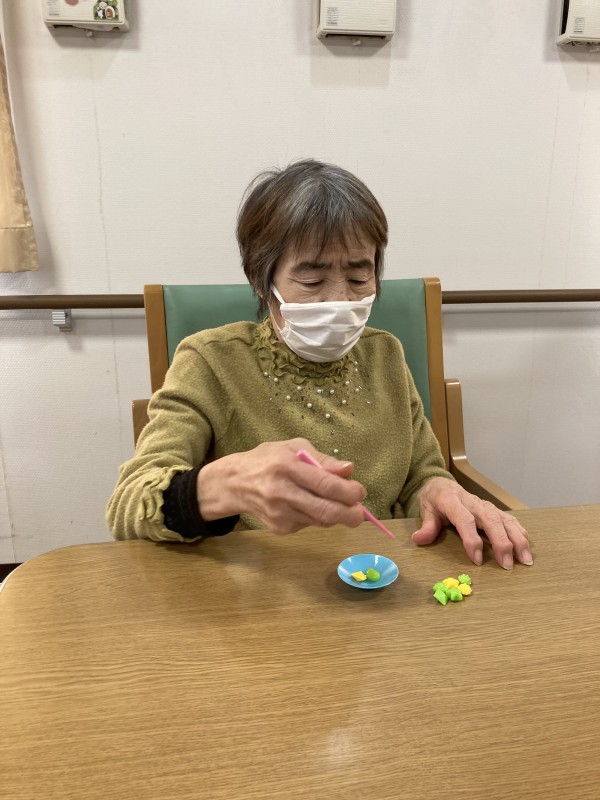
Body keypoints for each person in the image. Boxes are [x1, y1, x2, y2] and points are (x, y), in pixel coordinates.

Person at [106, 159, 533, 570]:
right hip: (259, 587)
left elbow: (422, 472)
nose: (340, 300)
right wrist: (225, 486)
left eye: (359, 277)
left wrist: (437, 489)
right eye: (311, 280)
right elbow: (128, 506)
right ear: (262, 280)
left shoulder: (384, 353)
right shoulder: (211, 361)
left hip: (382, 576)